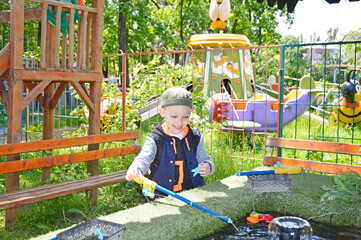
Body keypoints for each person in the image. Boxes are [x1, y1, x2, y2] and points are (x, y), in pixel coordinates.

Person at [126, 87, 214, 197]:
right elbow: (144, 158)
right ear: (162, 112)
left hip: (194, 193)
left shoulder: (196, 137)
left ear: (191, 113)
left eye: (185, 117)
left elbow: (205, 159)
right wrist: (136, 168)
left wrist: (208, 167)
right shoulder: (155, 140)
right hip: (162, 196)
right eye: (174, 116)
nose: (179, 122)